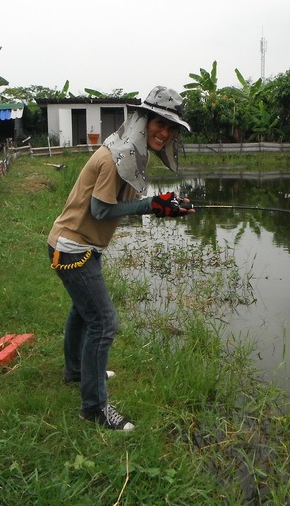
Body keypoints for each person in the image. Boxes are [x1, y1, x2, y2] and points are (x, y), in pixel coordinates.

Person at [47, 86, 194, 431]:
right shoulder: (121, 153)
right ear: (143, 120)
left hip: (76, 244)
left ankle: (76, 371)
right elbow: (100, 210)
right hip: (74, 247)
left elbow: (121, 205)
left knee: (83, 313)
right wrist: (152, 206)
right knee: (104, 323)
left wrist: (166, 205)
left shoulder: (127, 148)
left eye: (170, 128)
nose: (164, 132)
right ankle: (94, 408)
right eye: (160, 123)